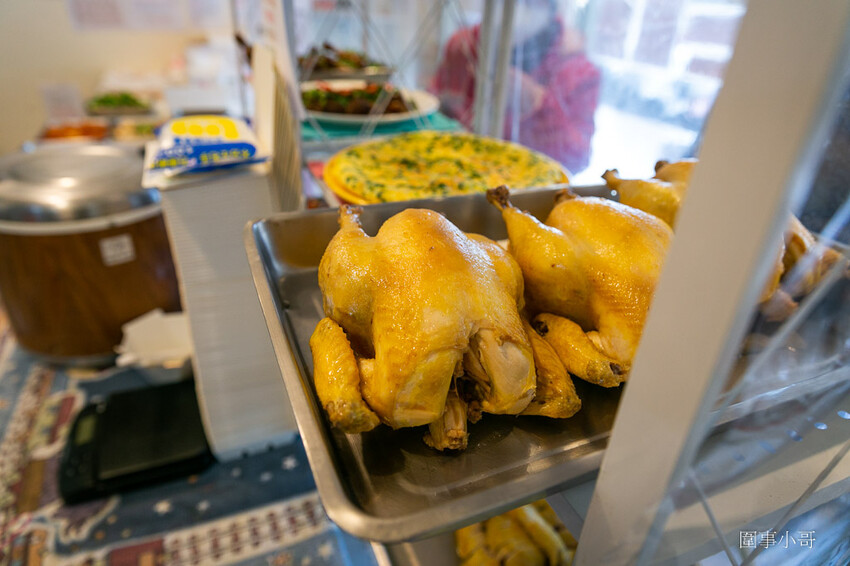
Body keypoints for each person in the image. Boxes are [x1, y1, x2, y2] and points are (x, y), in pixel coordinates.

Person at [432, 0, 601, 174]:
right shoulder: (462, 45)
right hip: (453, 173)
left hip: (528, 182)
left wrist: (538, 103)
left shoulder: (579, 70)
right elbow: (431, 111)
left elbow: (577, 158)